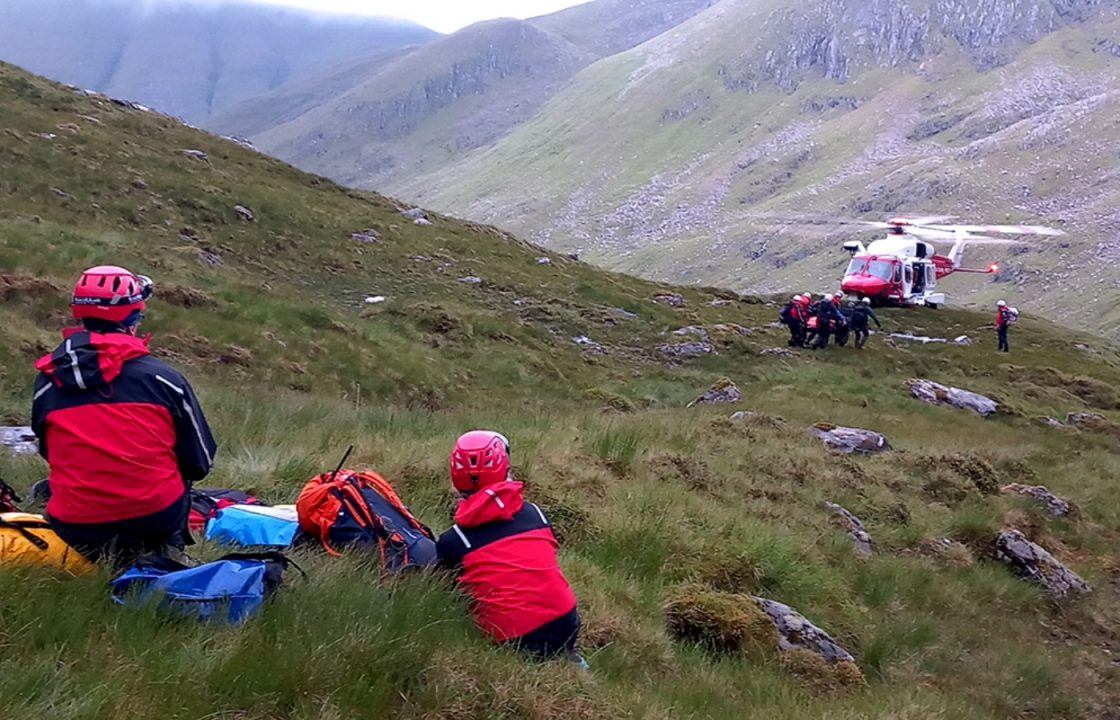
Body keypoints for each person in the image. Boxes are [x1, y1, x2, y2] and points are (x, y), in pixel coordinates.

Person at [31, 266, 217, 564]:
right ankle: (167, 557)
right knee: (180, 476)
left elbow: (49, 452)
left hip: (73, 526)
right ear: (133, 318)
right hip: (152, 521)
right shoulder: (164, 379)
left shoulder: (46, 383)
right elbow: (200, 462)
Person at [436, 430, 585, 666]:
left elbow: (449, 592)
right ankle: (570, 658)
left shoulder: (453, 542)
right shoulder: (535, 514)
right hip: (567, 622)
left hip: (513, 641)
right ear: (504, 469)